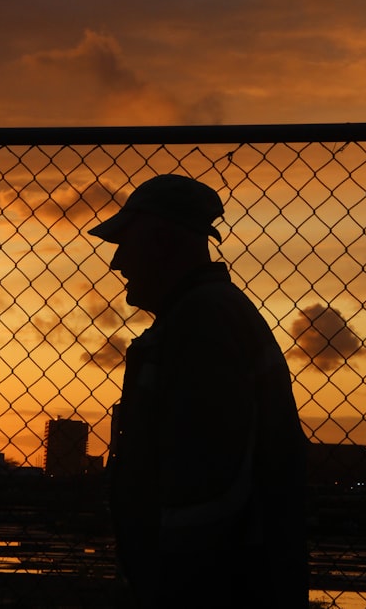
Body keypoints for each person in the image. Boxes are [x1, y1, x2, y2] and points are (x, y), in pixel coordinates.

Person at [89, 173, 309, 608]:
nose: (117, 264)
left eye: (125, 244)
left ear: (162, 242)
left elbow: (206, 483)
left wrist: (172, 580)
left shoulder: (201, 323)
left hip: (215, 586)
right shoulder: (201, 316)